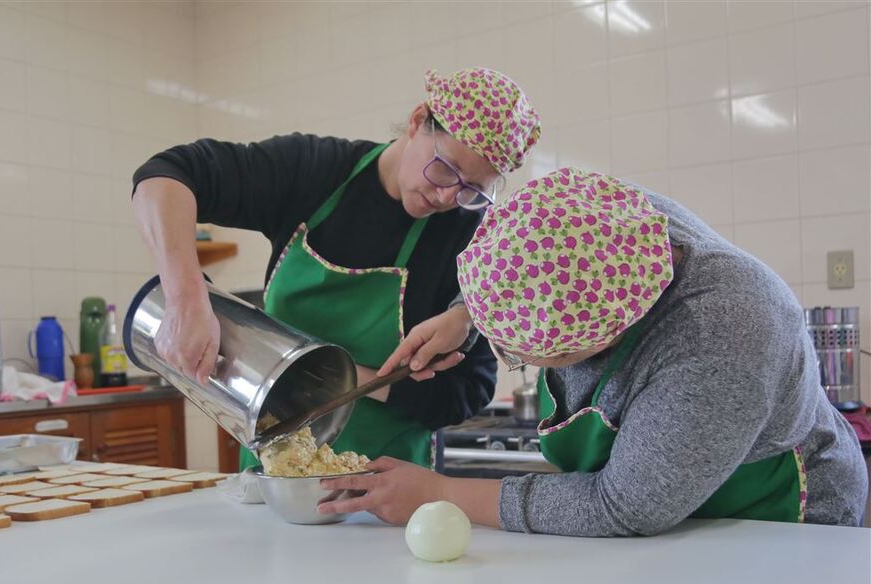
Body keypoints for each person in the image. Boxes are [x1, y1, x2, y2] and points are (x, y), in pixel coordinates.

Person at [318, 167, 868, 535]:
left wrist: (439, 494)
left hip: (770, 519)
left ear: (603, 339)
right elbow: (527, 251)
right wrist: (468, 315)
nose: (518, 361)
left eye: (528, 358)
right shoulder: (605, 220)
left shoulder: (722, 336)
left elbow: (623, 505)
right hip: (672, 515)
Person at [132, 68, 541, 470]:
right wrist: (186, 299)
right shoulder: (314, 171)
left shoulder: (470, 237)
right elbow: (165, 175)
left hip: (393, 485)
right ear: (418, 121)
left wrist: (338, 381)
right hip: (275, 474)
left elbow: (469, 391)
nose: (447, 196)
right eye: (445, 168)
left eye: (471, 189)